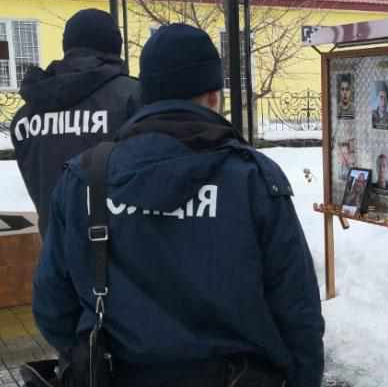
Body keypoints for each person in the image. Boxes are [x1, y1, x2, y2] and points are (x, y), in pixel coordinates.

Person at [32, 24, 325, 387]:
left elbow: (52, 309)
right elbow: (298, 313)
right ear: (214, 96)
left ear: (145, 94)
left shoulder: (84, 180)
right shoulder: (254, 179)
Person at [10, 9, 141, 235]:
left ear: (66, 46)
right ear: (115, 47)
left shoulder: (24, 117)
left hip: (54, 259)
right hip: (121, 259)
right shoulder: (133, 98)